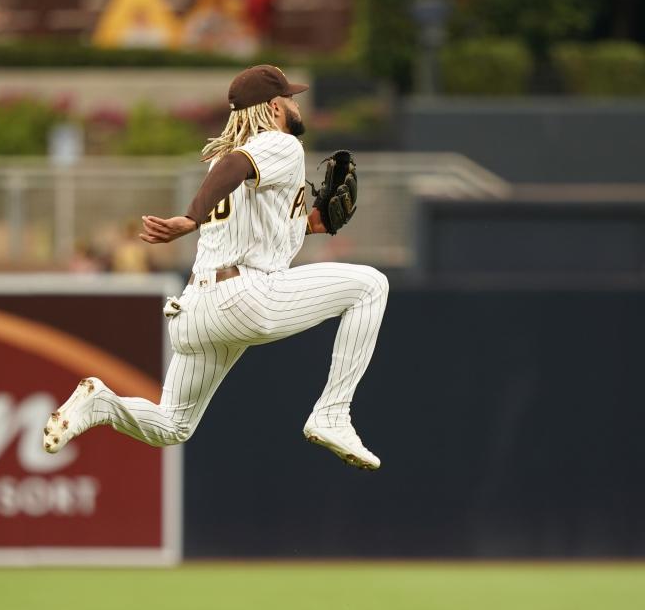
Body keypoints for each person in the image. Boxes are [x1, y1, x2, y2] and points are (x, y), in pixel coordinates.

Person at [43, 65, 389, 470]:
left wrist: (314, 223)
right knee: (371, 286)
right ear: (275, 106)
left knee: (172, 426)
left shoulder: (227, 160)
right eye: (290, 98)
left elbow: (258, 211)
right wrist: (190, 219)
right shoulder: (277, 146)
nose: (295, 105)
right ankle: (332, 413)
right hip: (244, 297)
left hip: (195, 312)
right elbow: (237, 166)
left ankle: (102, 404)